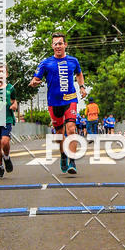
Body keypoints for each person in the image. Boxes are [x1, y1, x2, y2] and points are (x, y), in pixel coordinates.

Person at [30, 33, 87, 174]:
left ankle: (72, 161)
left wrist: (82, 87)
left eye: (60, 43)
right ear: (52, 46)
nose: (58, 46)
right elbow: (35, 79)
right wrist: (34, 82)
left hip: (70, 99)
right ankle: (63, 155)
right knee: (59, 134)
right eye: (55, 44)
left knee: (71, 129)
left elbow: (79, 74)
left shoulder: (73, 61)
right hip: (54, 103)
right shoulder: (45, 63)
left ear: (65, 45)